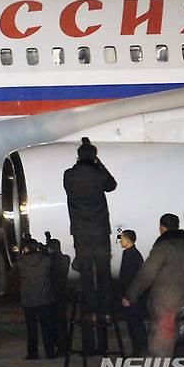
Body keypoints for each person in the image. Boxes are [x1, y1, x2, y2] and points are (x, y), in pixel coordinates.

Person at [124, 214, 184, 358]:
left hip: (165, 305)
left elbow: (145, 275)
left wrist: (130, 296)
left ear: (161, 228)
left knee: (162, 344)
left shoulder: (162, 249)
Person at [63, 137, 117, 326]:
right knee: (103, 274)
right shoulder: (98, 175)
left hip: (81, 232)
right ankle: (107, 313)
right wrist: (98, 163)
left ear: (78, 157)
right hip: (101, 231)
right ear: (94, 157)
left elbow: (71, 183)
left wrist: (84, 161)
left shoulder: (69, 175)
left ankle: (90, 313)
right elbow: (112, 185)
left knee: (86, 274)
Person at [15, 237, 56, 360]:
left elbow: (18, 260)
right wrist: (43, 250)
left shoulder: (21, 262)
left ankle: (33, 353)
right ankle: (50, 352)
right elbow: (50, 260)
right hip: (45, 299)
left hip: (29, 300)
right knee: (47, 328)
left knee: (31, 329)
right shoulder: (45, 261)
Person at [116, 230, 148, 357]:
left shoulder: (132, 255)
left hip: (133, 297)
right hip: (133, 296)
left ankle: (140, 349)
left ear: (128, 240)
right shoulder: (131, 254)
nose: (120, 241)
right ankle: (139, 349)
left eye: (122, 238)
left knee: (135, 324)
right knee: (134, 324)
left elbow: (130, 278)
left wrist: (127, 296)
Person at [45, 233, 71, 356]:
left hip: (51, 294)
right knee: (62, 322)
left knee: (54, 323)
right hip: (63, 293)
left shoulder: (48, 260)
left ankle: (59, 347)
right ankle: (65, 346)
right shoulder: (65, 258)